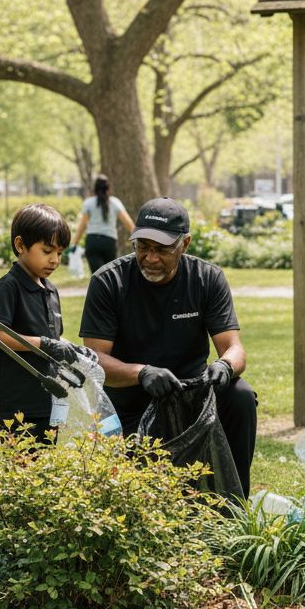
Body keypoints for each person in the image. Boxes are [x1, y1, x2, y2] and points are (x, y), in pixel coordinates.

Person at [79, 197, 257, 497]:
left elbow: (234, 347)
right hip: (132, 402)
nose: (150, 258)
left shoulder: (206, 278)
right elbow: (95, 361)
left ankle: (234, 504)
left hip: (192, 397)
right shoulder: (108, 282)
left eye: (162, 249)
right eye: (143, 247)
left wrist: (225, 366)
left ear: (184, 244)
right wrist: (141, 372)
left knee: (240, 395)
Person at [0, 203, 93, 442]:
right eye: (47, 251)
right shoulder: (9, 286)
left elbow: (54, 338)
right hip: (18, 406)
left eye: (60, 253)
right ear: (20, 245)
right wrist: (45, 344)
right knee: (23, 471)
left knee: (45, 470)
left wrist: (75, 351)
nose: (55, 260)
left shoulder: (51, 290)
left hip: (50, 400)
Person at [71, 174, 134, 273]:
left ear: (95, 188)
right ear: (108, 188)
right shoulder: (115, 202)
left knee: (97, 275)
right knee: (110, 274)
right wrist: (137, 238)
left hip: (93, 241)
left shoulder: (89, 203)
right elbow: (128, 223)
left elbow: (82, 226)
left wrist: (75, 243)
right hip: (109, 242)